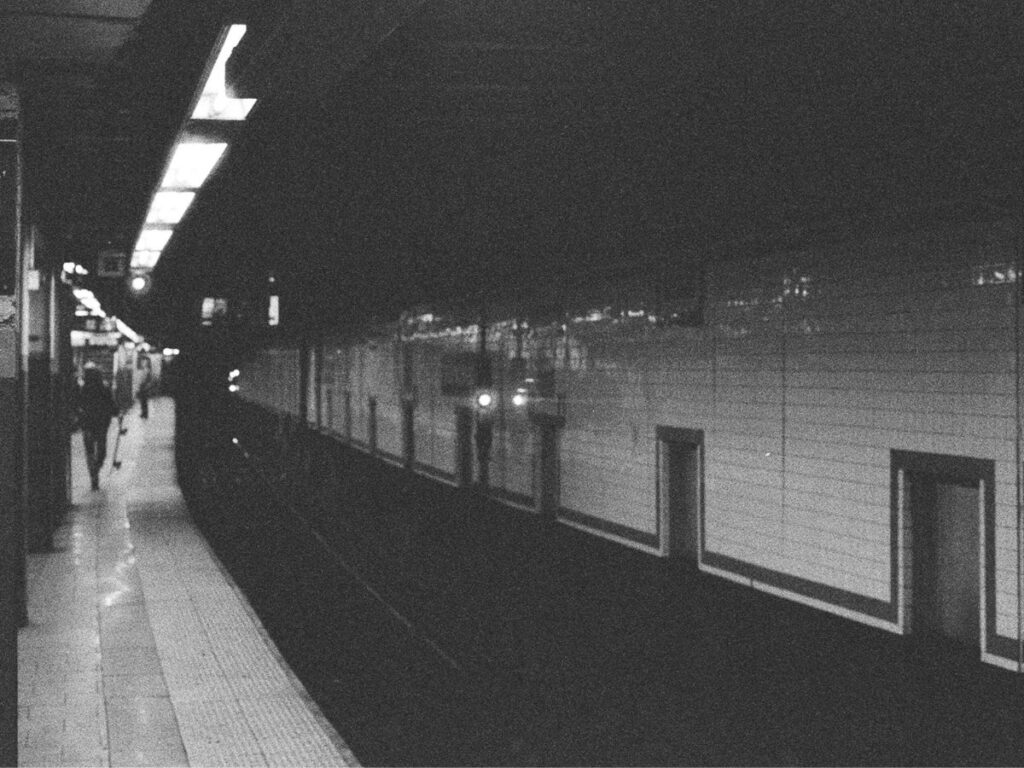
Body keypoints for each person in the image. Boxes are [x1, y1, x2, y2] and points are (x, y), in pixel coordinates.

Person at [77, 365, 119, 491]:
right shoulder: (104, 389)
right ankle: (97, 467)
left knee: (90, 451)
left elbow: (79, 404)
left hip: (88, 425)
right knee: (102, 450)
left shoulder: (83, 389)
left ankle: (93, 475)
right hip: (101, 424)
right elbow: (111, 404)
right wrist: (116, 412)